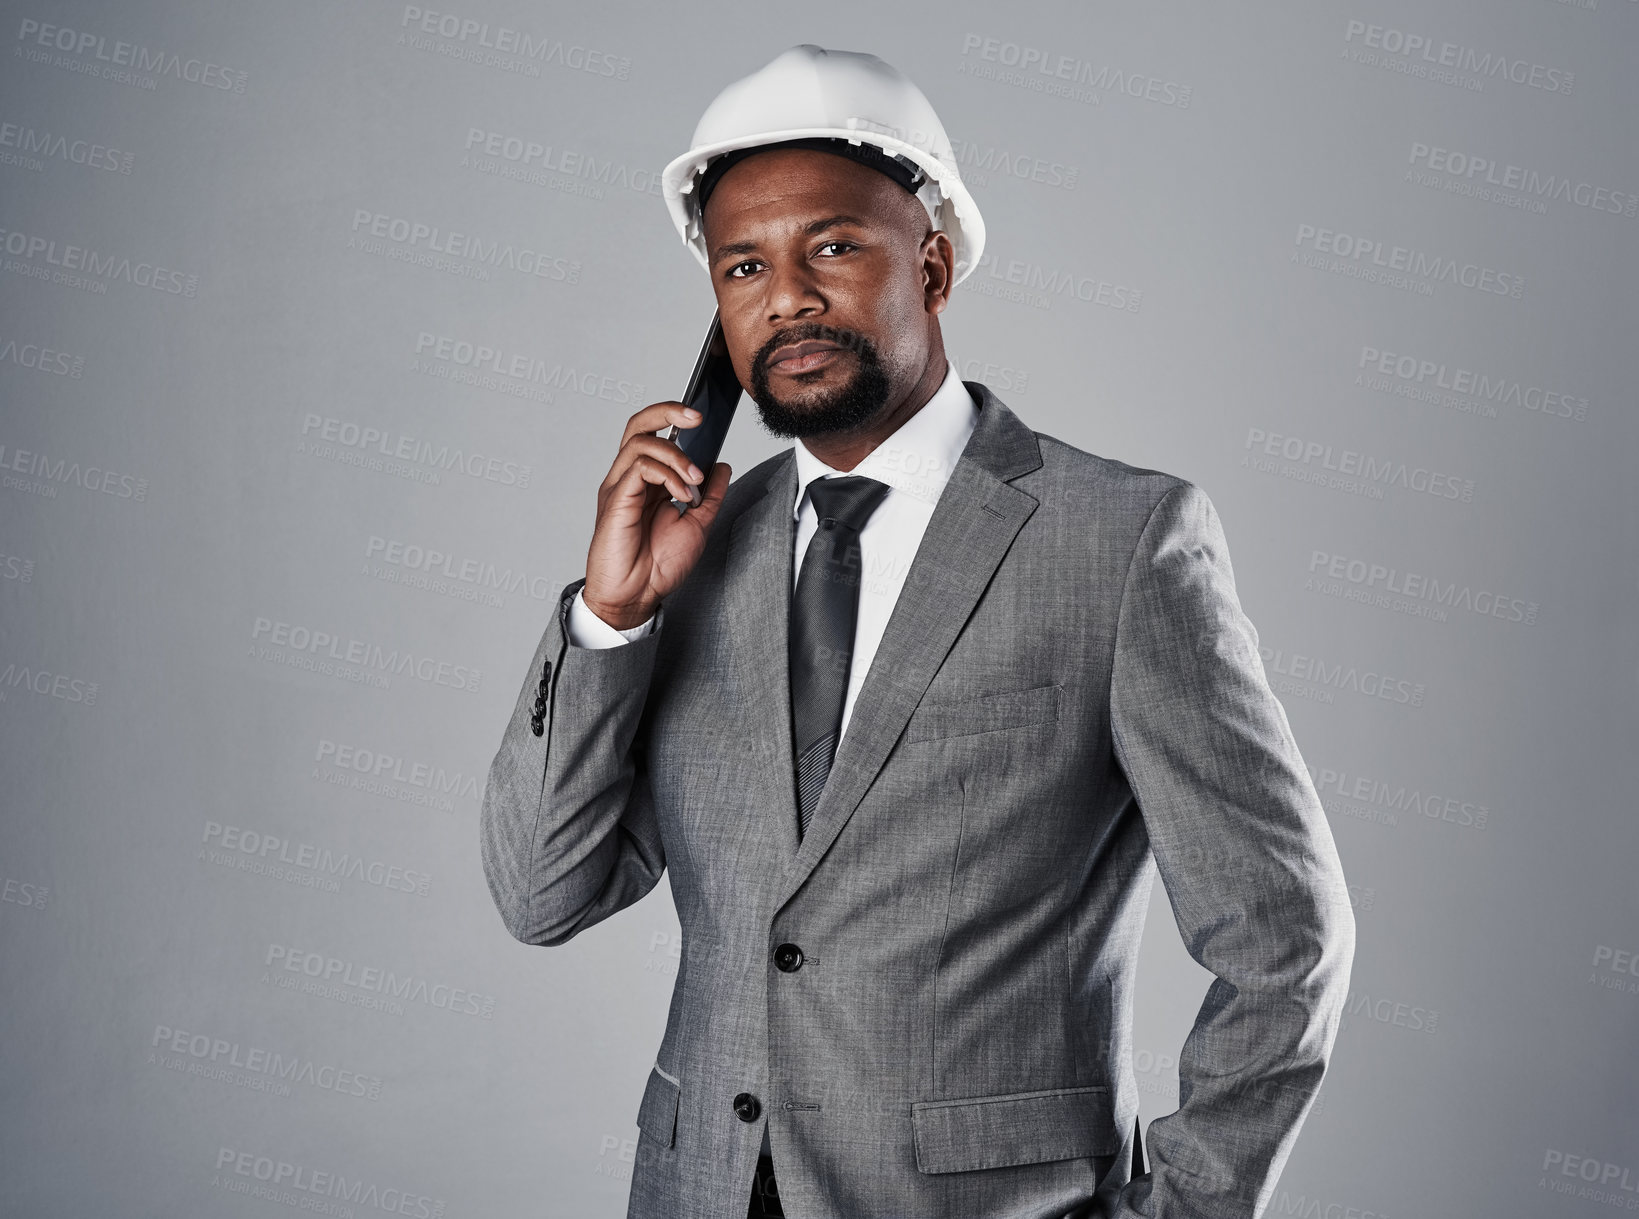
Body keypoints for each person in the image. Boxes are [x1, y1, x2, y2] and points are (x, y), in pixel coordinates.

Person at [480, 44, 1355, 1219]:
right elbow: (544, 895)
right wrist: (611, 616)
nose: (785, 295)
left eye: (832, 247)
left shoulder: (1122, 541)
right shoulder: (693, 554)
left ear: (933, 265)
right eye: (742, 267)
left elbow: (1285, 943)